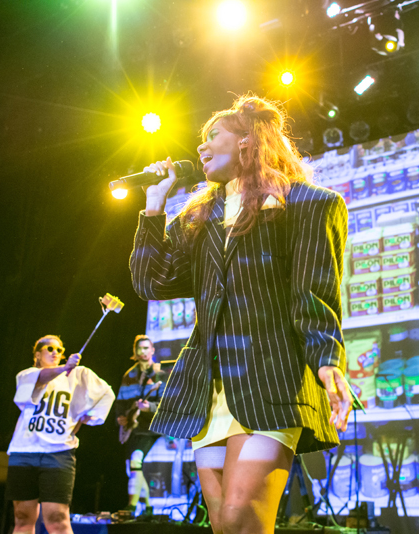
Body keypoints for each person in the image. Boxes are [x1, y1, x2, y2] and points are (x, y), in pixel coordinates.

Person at [130, 94, 354, 534]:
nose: (201, 145)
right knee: (224, 525)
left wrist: (329, 363)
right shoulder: (199, 216)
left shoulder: (308, 203)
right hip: (210, 387)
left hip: (271, 380)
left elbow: (314, 296)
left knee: (241, 516)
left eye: (213, 134)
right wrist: (154, 206)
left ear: (248, 140)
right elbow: (152, 284)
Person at [5, 335, 115, 534]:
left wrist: (87, 417)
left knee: (57, 518)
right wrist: (65, 368)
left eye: (59, 349)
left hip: (58, 453)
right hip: (24, 452)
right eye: (49, 348)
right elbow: (40, 379)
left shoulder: (79, 375)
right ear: (38, 354)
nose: (55, 352)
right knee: (22, 517)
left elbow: (107, 393)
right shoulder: (27, 375)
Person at [115, 334, 167, 512]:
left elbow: (167, 404)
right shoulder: (129, 375)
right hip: (133, 428)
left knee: (136, 461)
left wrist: (149, 407)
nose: (143, 352)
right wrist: (120, 417)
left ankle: (131, 507)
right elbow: (120, 401)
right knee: (133, 468)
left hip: (151, 429)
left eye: (146, 348)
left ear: (152, 350)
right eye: (139, 348)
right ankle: (148, 507)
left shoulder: (160, 373)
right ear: (135, 352)